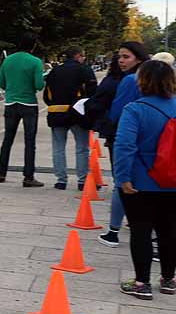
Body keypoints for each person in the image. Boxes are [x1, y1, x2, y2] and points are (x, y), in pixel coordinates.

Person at [114, 60, 176, 300]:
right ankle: (169, 279)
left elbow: (124, 146)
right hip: (173, 182)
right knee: (170, 230)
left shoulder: (135, 109)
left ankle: (142, 283)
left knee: (140, 231)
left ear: (142, 80)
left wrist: (123, 177)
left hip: (141, 181)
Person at [96, 43, 149, 247]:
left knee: (123, 182)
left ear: (139, 59)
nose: (121, 60)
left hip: (127, 137)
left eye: (126, 57)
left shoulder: (130, 80)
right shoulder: (157, 78)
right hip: (153, 140)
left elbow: (118, 111)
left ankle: (113, 231)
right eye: (120, 56)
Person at [0, 32, 46, 187]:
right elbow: (39, 85)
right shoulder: (36, 62)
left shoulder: (8, 60)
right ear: (33, 45)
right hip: (29, 104)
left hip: (10, 104)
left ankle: (2, 172)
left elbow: (1, 83)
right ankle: (28, 176)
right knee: (29, 141)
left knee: (7, 139)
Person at [44, 47, 97, 191]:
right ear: (78, 56)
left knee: (58, 148)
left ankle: (61, 180)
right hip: (77, 113)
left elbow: (46, 95)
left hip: (56, 112)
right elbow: (93, 93)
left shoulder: (54, 71)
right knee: (81, 148)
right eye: (83, 56)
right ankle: (82, 181)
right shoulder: (84, 70)